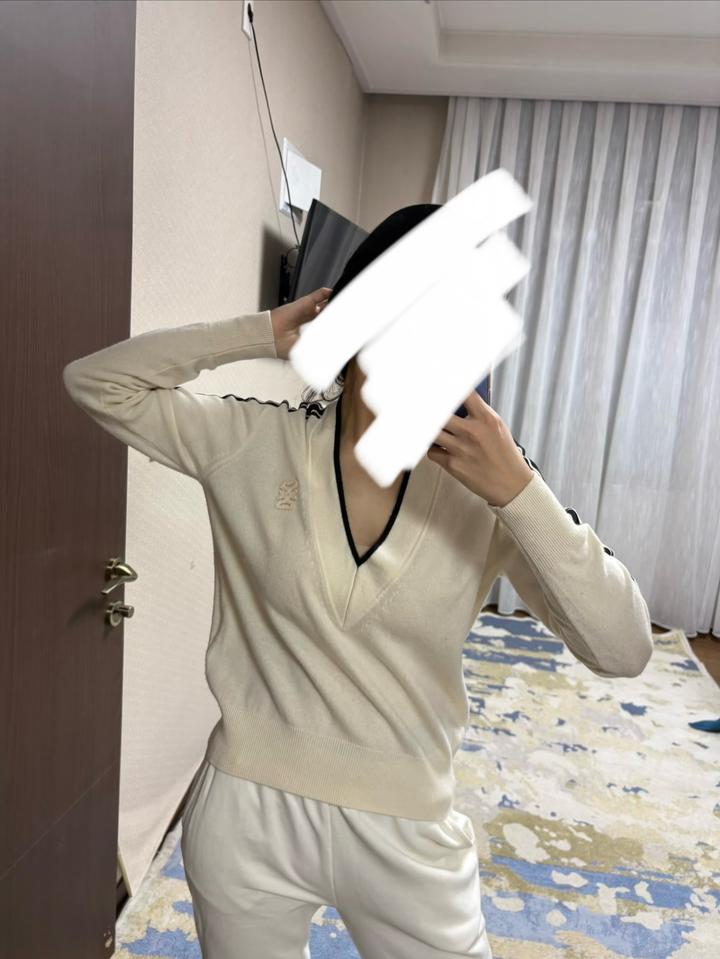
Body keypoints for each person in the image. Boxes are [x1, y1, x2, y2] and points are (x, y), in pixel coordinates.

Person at [62, 205, 654, 958]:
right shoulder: (252, 440)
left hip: (408, 828)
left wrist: (521, 493)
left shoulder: (492, 490)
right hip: (248, 815)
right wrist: (260, 334)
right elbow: (96, 383)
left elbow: (623, 647)